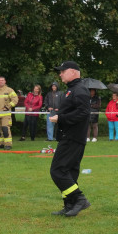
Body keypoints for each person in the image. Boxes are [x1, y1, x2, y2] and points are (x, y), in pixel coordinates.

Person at [48, 62, 92, 217]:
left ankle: (80, 199)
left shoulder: (79, 90)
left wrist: (60, 118)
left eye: (63, 71)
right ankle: (69, 205)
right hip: (71, 136)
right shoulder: (72, 89)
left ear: (73, 72)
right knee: (69, 172)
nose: (60, 74)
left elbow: (83, 113)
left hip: (73, 137)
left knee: (57, 170)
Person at [0, 75, 17, 149]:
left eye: (2, 80)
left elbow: (15, 100)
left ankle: (8, 145)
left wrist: (8, 106)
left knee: (5, 129)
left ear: (5, 81)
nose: (0, 81)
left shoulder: (9, 90)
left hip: (5, 114)